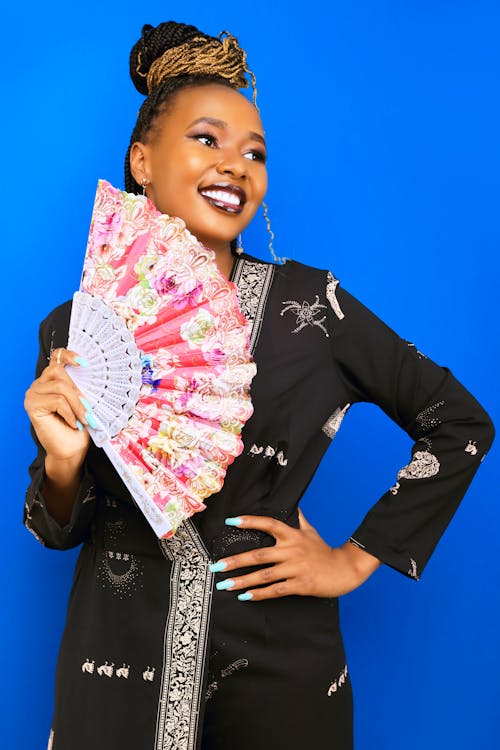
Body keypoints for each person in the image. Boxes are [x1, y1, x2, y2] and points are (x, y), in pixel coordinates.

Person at [23, 20, 494, 750]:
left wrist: (351, 559)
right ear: (142, 160)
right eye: (206, 140)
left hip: (281, 671)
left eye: (255, 153)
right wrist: (60, 464)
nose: (235, 166)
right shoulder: (75, 328)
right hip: (115, 662)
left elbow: (460, 423)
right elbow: (60, 526)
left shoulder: (315, 310)